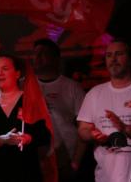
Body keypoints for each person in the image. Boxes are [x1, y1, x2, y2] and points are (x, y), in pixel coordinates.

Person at [77, 39, 131, 182]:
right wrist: (93, 134)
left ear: (130, 59)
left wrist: (125, 128)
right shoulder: (94, 94)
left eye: (119, 54)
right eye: (109, 55)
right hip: (106, 176)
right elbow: (83, 130)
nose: (113, 59)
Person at [0, 53, 50, 182]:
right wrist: (1, 140)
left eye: (5, 69)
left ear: (17, 74)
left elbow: (45, 134)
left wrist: (29, 138)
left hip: (27, 172)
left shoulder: (30, 100)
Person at [32, 39, 87, 182]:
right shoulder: (24, 85)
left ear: (56, 58)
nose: (37, 57)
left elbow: (85, 128)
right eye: (35, 53)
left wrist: (75, 163)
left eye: (43, 53)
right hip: (34, 163)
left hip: (64, 162)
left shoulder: (72, 87)